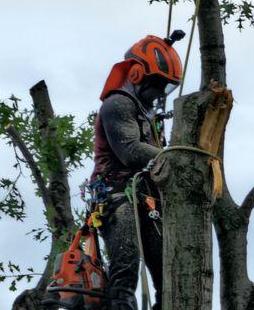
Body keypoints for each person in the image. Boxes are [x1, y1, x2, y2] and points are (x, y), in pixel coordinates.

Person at [90, 33, 183, 310]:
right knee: (126, 265)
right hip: (116, 194)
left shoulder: (147, 117)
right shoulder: (117, 104)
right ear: (137, 73)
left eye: (165, 87)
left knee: (168, 272)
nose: (158, 93)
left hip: (146, 198)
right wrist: (178, 158)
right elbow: (130, 150)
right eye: (157, 85)